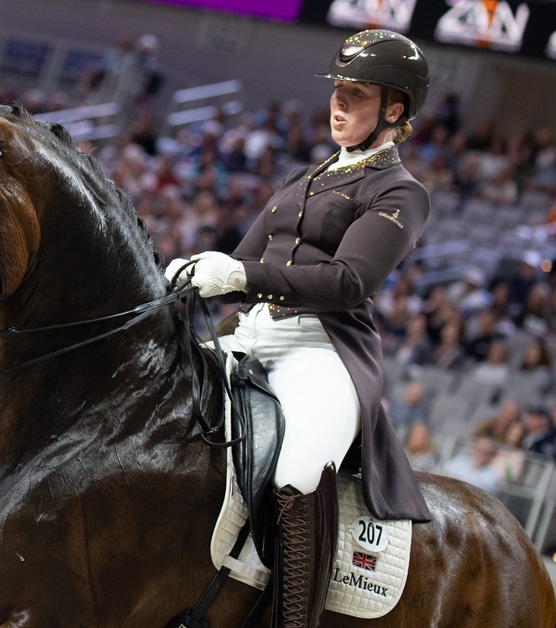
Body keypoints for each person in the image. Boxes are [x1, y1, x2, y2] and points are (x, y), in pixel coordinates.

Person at [167, 29, 431, 628]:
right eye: (337, 90)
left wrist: (238, 274)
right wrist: (191, 275)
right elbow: (241, 262)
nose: (338, 104)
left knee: (297, 472)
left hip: (324, 349)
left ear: (394, 109)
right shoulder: (303, 178)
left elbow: (349, 282)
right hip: (253, 333)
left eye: (356, 94)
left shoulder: (399, 192)